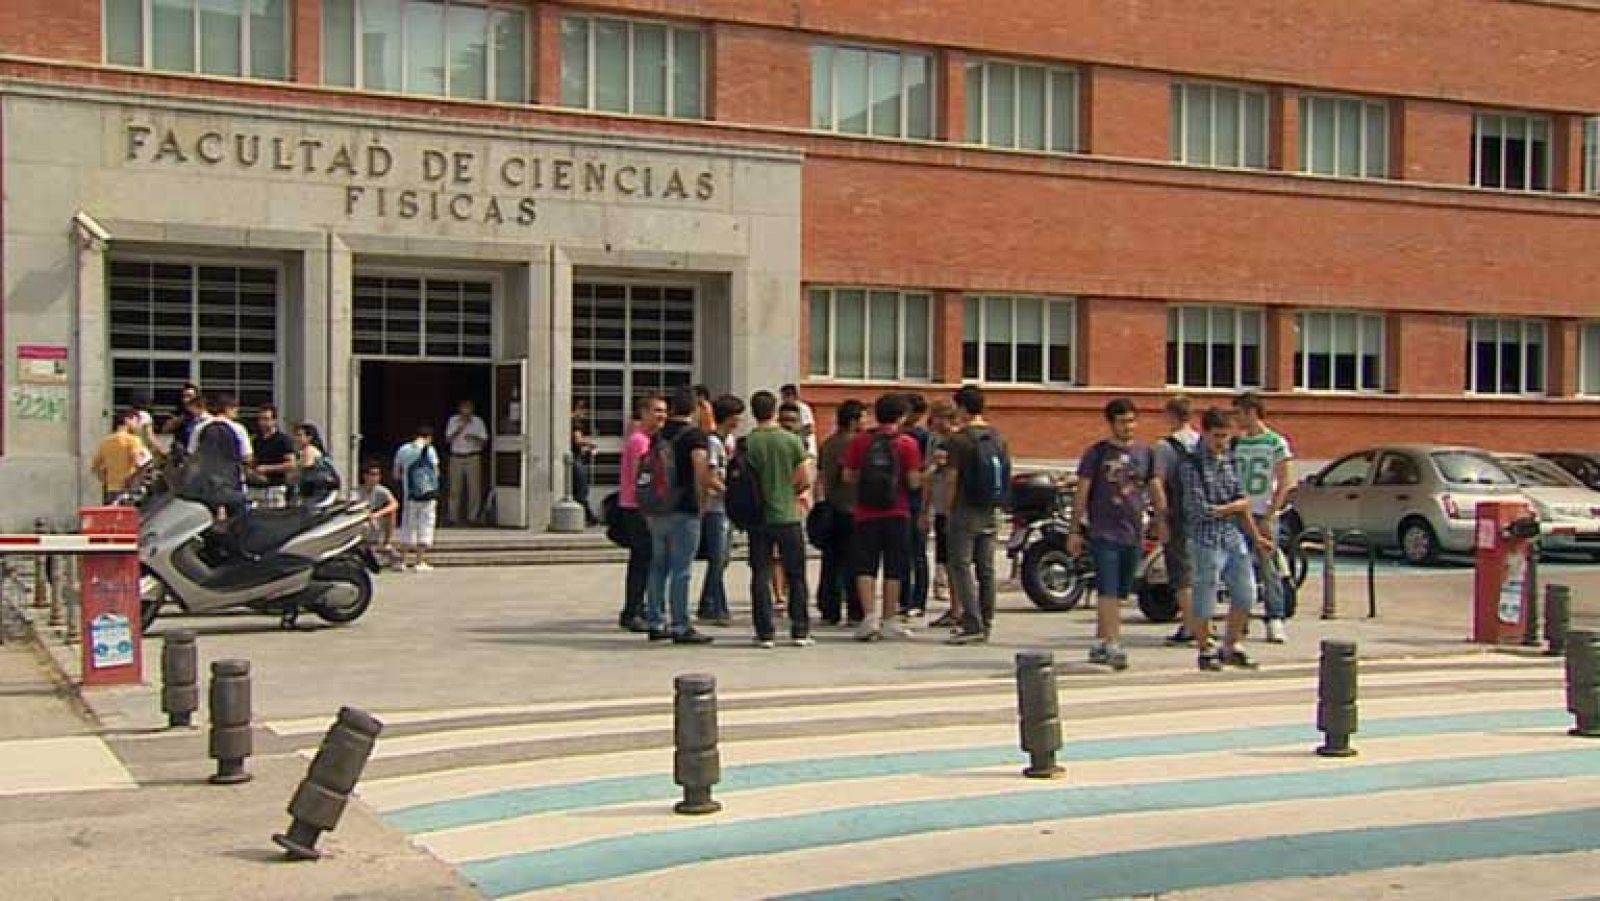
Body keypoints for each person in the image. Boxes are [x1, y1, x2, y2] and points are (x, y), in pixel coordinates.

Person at [1068, 398, 1167, 671]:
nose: (1129, 427)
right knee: (1107, 590)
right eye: (1123, 421)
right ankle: (1113, 642)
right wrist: (1075, 529)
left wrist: (1161, 519)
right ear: (1111, 424)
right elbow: (1082, 491)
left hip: (1133, 532)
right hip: (1104, 531)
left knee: (1121, 591)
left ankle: (1101, 640)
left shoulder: (1145, 453)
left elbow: (1154, 487)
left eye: (1132, 421)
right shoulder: (1097, 454)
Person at [1181, 408, 1272, 671]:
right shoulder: (1192, 465)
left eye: (1226, 436)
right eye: (1217, 436)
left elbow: (1244, 503)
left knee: (1246, 592)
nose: (1222, 441)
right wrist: (1232, 507)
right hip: (1205, 538)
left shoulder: (1230, 460)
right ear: (1206, 433)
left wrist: (1256, 537)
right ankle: (1205, 647)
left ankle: (1232, 644)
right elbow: (1200, 509)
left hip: (1233, 536)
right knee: (1205, 593)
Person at [843, 393, 923, 642]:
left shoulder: (860, 441)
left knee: (865, 565)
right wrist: (929, 472)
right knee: (894, 566)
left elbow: (848, 476)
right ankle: (889, 619)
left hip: (865, 512)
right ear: (901, 416)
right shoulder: (907, 443)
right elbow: (912, 481)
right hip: (897, 511)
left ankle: (869, 618)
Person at [641, 386, 715, 645]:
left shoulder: (658, 434)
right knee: (681, 569)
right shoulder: (695, 436)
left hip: (657, 507)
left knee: (658, 566)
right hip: (684, 508)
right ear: (695, 408)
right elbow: (700, 468)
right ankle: (681, 624)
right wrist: (702, 500)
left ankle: (655, 620)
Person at [743, 391, 814, 649]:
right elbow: (805, 478)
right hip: (787, 515)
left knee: (760, 573)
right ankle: (800, 630)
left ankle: (765, 633)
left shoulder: (748, 443)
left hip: (758, 517)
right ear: (774, 410)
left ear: (753, 411)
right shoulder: (792, 441)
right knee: (796, 574)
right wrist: (790, 492)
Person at [945, 385, 1010, 645]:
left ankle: (971, 623)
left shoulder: (958, 440)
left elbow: (951, 478)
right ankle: (988, 619)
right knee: (986, 568)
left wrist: (947, 510)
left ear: (961, 408)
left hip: (965, 507)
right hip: (990, 508)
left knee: (961, 566)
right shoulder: (997, 437)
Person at [1232, 391, 1294, 643]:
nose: (1236, 419)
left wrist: (1271, 513)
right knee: (1239, 566)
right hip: (1240, 513)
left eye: (1239, 413)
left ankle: (1275, 617)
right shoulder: (1238, 444)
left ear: (1251, 412)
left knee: (1268, 567)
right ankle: (1242, 616)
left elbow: (1285, 480)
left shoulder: (1275, 442)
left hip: (1262, 511)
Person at [1152, 395, 1201, 646]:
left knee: (1181, 573)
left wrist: (1161, 517)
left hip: (1178, 515)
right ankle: (1205, 622)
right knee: (1202, 570)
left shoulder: (1165, 447)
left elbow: (1158, 481)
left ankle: (1191, 626)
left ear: (1171, 415)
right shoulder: (1202, 442)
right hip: (1204, 515)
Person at [617, 394, 665, 633]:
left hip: (643, 506)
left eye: (663, 411)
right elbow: (641, 477)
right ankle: (632, 610)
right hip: (636, 507)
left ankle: (639, 605)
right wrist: (648, 508)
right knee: (641, 559)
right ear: (644, 412)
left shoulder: (649, 439)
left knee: (645, 560)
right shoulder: (639, 441)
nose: (661, 416)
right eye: (656, 411)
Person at [815, 399, 865, 626]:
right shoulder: (858, 444)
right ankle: (855, 609)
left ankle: (829, 607)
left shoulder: (828, 443)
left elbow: (823, 476)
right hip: (854, 507)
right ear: (854, 420)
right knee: (855, 562)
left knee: (831, 561)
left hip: (833, 506)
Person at [696, 394, 743, 626]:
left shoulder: (731, 441)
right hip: (716, 507)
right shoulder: (713, 443)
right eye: (736, 417)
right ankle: (718, 606)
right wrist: (729, 492)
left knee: (722, 558)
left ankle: (707, 601)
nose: (739, 421)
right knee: (717, 557)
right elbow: (709, 477)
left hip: (727, 506)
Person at [923, 401, 960, 629]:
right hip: (940, 506)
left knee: (956, 560)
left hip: (952, 508)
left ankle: (959, 608)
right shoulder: (934, 439)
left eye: (935, 417)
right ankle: (956, 607)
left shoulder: (953, 442)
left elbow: (932, 473)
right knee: (947, 559)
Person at [393, 425, 440, 572]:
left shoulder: (403, 450)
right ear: (429, 438)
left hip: (410, 495)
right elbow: (435, 472)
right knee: (425, 525)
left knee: (408, 525)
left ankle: (402, 561)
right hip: (428, 495)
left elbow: (396, 473)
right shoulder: (430, 450)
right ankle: (420, 561)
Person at [902, 393, 932, 618]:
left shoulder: (920, 437)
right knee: (906, 553)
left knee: (916, 552)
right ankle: (907, 597)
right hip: (905, 499)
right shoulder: (906, 435)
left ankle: (916, 599)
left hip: (915, 498)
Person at [91, 409, 151, 503]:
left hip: (111, 490)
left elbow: (95, 467)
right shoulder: (133, 440)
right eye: (136, 421)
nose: (138, 425)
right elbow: (139, 463)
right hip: (128, 490)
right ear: (128, 420)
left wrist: (105, 481)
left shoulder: (106, 442)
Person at [445, 399, 489, 526]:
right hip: (456, 457)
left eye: (468, 409)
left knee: (474, 488)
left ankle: (473, 517)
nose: (466, 412)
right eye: (464, 409)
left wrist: (474, 437)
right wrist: (460, 428)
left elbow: (484, 440)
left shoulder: (478, 422)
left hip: (472, 456)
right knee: (455, 488)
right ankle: (452, 517)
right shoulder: (453, 420)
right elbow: (448, 439)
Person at [354, 462, 401, 568]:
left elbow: (394, 504)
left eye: (377, 474)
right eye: (373, 474)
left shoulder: (382, 491)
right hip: (361, 520)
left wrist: (377, 514)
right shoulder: (357, 491)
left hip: (376, 520)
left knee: (391, 513)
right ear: (365, 476)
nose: (375, 477)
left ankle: (387, 543)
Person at [252, 404, 296, 509]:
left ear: (274, 420)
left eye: (266, 419)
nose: (263, 423)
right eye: (261, 419)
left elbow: (291, 464)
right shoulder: (256, 441)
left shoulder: (283, 440)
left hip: (275, 487)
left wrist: (267, 469)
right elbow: (253, 461)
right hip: (257, 488)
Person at [290, 423, 340, 503]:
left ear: (309, 437)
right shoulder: (305, 451)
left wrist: (293, 468)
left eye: (299, 435)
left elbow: (305, 469)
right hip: (320, 488)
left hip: (321, 489)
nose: (296, 439)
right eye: (296, 435)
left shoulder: (309, 450)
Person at [571, 399, 599, 526]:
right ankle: (588, 517)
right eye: (583, 411)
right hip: (575, 459)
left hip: (575, 457)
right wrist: (590, 444)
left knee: (578, 489)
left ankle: (588, 516)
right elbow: (577, 440)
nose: (584, 414)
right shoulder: (575, 423)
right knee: (581, 489)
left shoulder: (569, 422)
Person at [780, 384, 818, 459]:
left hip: (807, 451)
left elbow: (810, 428)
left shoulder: (803, 408)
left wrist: (795, 434)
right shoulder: (783, 409)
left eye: (786, 396)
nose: (784, 399)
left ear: (794, 396)